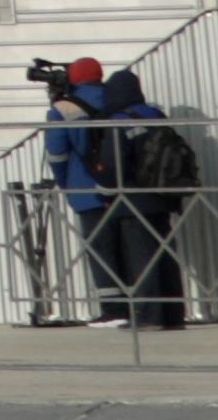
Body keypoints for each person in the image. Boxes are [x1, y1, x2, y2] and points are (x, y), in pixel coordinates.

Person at [84, 61, 202, 330]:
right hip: (164, 196)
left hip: (133, 200)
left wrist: (102, 188)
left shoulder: (119, 122)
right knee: (165, 255)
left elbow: (114, 165)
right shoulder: (155, 116)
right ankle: (173, 315)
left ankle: (149, 316)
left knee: (142, 258)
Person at [39, 61, 129, 321]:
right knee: (130, 246)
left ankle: (113, 309)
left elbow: (57, 154)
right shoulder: (119, 100)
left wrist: (66, 184)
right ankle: (141, 302)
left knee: (102, 249)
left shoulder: (63, 109)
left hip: (86, 188)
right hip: (125, 187)